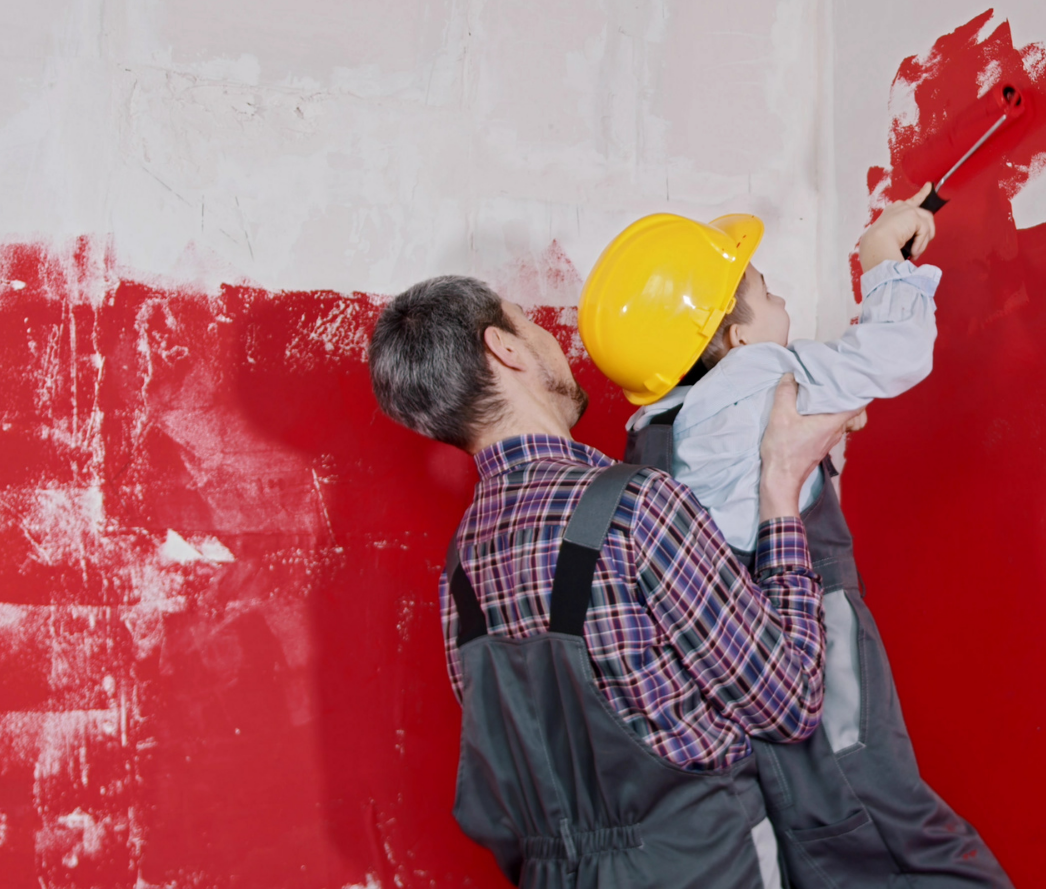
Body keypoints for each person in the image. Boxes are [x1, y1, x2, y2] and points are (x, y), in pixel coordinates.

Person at [578, 186, 1013, 888]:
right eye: (765, 289)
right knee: (878, 803)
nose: (779, 298)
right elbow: (894, 354)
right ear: (735, 335)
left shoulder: (651, 430)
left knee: (810, 819)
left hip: (735, 657)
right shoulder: (758, 373)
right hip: (806, 616)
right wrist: (883, 265)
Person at [368, 274, 859, 888]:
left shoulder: (463, 566)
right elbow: (787, 705)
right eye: (530, 323)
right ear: (506, 348)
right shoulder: (636, 507)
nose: (551, 338)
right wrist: (780, 488)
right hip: (700, 865)